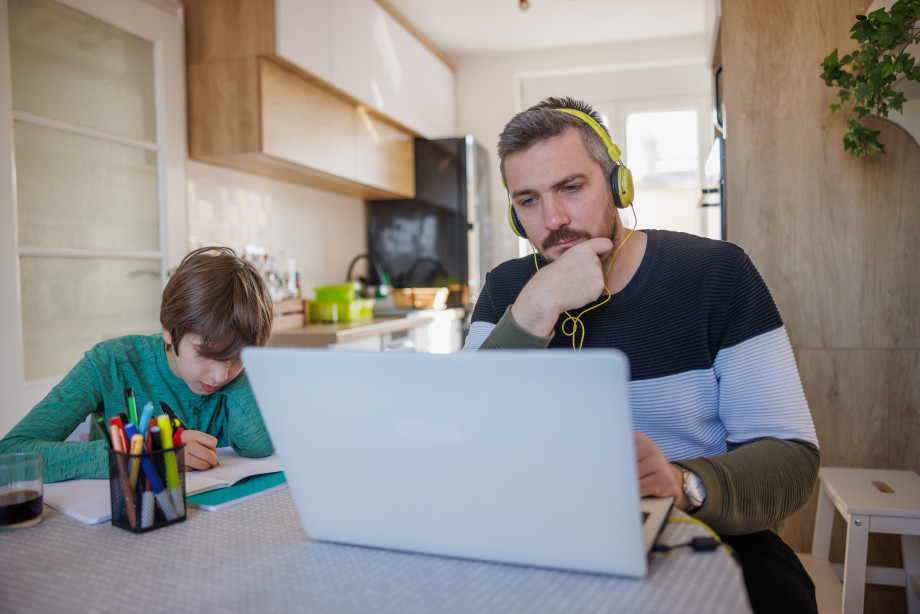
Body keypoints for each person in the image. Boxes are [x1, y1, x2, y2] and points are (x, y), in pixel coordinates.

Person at [463, 97, 820, 614]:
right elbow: (466, 436)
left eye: (571, 187)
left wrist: (683, 484)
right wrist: (534, 308)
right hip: (544, 528)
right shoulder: (507, 291)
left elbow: (792, 459)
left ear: (616, 182)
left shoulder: (716, 273)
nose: (554, 219)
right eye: (528, 200)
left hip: (706, 526)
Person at [0, 246, 275, 483]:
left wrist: (242, 355)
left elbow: (257, 446)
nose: (220, 375)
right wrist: (146, 452)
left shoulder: (236, 372)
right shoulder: (110, 363)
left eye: (237, 358)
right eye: (207, 353)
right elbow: (9, 455)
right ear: (168, 329)